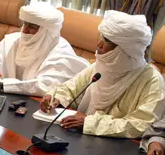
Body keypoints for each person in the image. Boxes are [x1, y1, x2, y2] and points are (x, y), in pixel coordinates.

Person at [41, 10, 164, 138]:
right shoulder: (100, 67)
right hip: (80, 137)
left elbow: (142, 124)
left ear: (124, 49)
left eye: (106, 41)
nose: (98, 44)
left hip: (117, 149)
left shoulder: (152, 81)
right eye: (102, 37)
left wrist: (90, 123)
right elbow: (71, 88)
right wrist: (55, 97)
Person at [0, 2, 89, 96]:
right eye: (25, 24)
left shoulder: (60, 50)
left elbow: (46, 86)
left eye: (32, 27)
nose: (24, 30)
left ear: (46, 31)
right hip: (3, 97)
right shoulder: (14, 40)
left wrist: (2, 84)